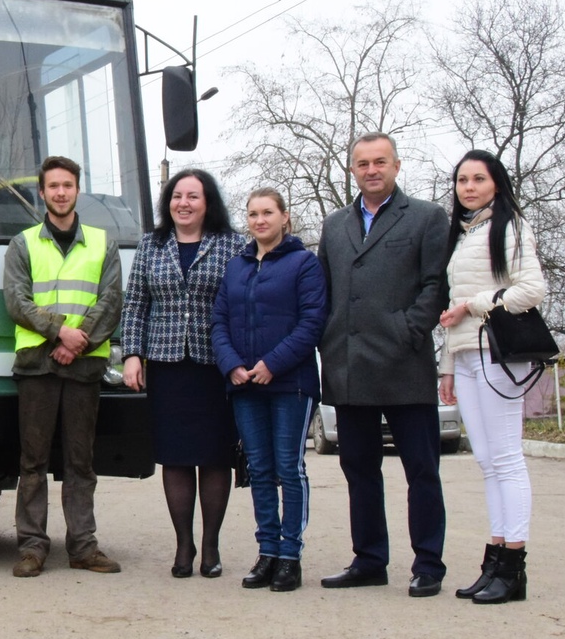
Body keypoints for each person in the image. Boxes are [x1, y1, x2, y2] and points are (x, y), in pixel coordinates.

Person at [317, 132, 450, 597]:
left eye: (380, 162)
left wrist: (408, 330)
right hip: (348, 366)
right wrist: (329, 341)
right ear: (352, 169)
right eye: (362, 164)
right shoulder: (335, 225)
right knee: (359, 469)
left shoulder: (428, 218)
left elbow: (436, 286)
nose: (371, 171)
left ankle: (428, 563)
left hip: (404, 364)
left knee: (421, 470)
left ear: (396, 166)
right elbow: (326, 291)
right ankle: (370, 559)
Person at [4, 156, 123, 578]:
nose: (60, 192)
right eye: (53, 186)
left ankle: (83, 547)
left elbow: (111, 300)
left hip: (83, 367)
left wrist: (79, 341)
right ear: (42, 192)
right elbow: (17, 301)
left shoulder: (103, 242)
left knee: (80, 462)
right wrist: (60, 334)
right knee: (32, 462)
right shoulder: (23, 244)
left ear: (77, 190)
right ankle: (32, 548)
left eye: (67, 185)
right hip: (37, 366)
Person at [122, 168, 242, 578]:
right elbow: (135, 304)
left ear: (208, 203)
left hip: (215, 365)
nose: (184, 203)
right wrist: (132, 354)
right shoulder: (151, 245)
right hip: (167, 366)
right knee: (175, 457)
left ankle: (211, 547)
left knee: (213, 457)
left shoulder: (232, 244)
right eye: (177, 196)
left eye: (193, 196)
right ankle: (183, 546)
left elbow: (243, 303)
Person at [438, 150, 545, 604]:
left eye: (478, 179)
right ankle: (496, 556)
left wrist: (475, 304)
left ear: (495, 184)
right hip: (464, 355)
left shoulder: (511, 226)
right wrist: (445, 364)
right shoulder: (462, 234)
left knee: (506, 459)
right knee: (486, 460)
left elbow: (532, 289)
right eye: (462, 180)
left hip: (498, 354)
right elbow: (449, 308)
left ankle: (514, 565)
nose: (469, 187)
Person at [211, 188, 327, 592]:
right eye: (253, 214)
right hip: (244, 385)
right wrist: (233, 366)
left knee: (288, 468)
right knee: (258, 469)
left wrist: (270, 365)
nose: (260, 220)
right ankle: (267, 552)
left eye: (267, 213)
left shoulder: (303, 264)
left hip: (289, 385)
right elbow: (219, 321)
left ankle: (290, 556)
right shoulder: (236, 267)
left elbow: (312, 323)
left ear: (284, 217)